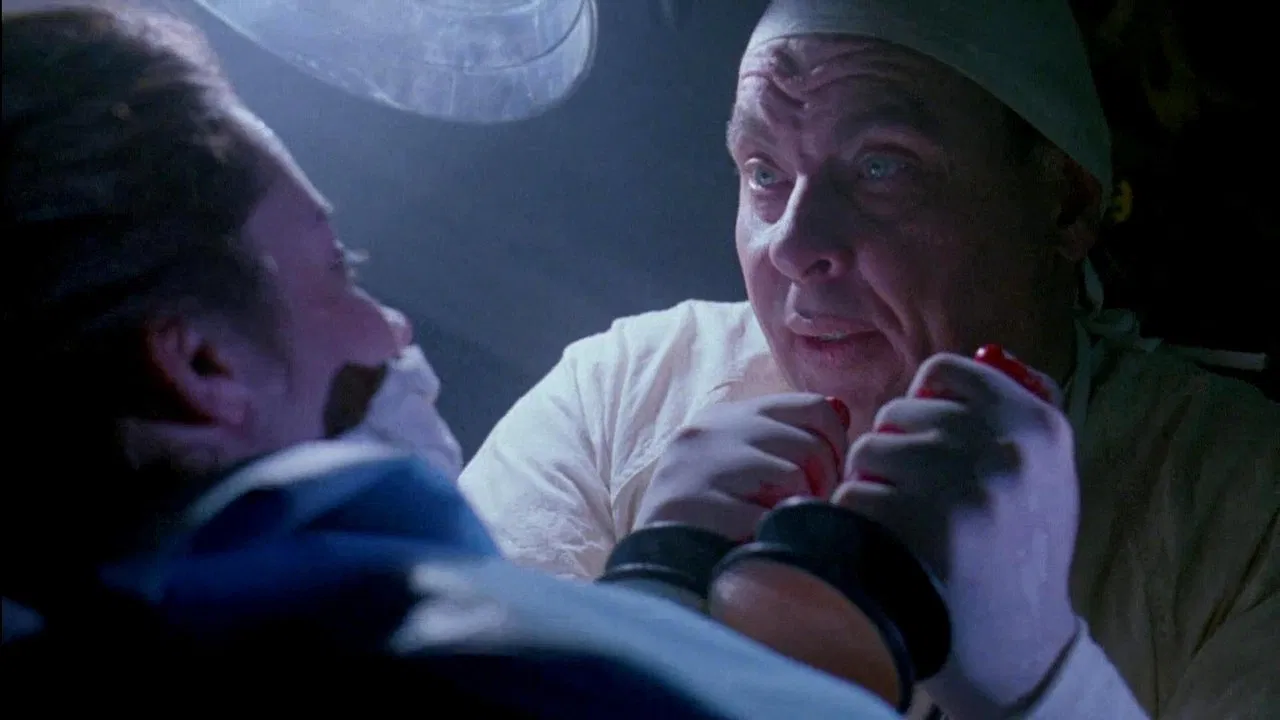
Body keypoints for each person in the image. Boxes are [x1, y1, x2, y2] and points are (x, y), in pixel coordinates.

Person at [0, 7, 903, 719]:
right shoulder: (432, 650)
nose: (391, 329)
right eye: (336, 269)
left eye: (880, 169)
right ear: (204, 365)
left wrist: (652, 592)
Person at [457, 0, 1280, 718]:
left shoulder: (1243, 495)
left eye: (882, 166)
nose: (793, 245)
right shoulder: (620, 393)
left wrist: (1048, 687)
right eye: (764, 172)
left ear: (1062, 203)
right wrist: (652, 591)